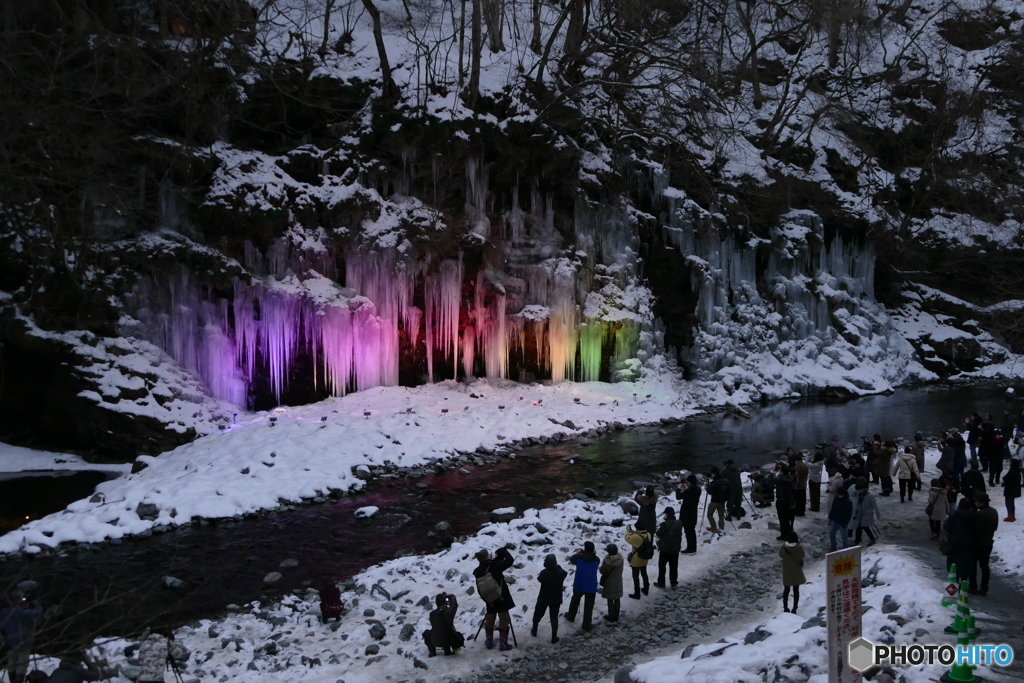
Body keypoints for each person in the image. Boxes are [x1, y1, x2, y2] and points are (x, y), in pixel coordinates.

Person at [473, 547, 516, 650]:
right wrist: (504, 551)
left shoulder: (478, 571)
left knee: (490, 617)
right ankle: (503, 644)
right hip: (501, 596)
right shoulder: (495, 566)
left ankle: (489, 642)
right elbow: (510, 560)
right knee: (504, 619)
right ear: (487, 557)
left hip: (489, 598)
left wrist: (498, 557)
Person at [0, 592, 43, 683]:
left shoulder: (3, 612)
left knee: (12, 662)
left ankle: (12, 680)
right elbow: (37, 613)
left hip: (9, 642)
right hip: (23, 641)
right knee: (22, 662)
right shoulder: (20, 613)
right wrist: (34, 602)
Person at [531, 554, 566, 643]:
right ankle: (554, 637)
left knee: (538, 613)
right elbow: (564, 573)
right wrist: (557, 567)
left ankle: (534, 630)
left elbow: (539, 579)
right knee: (554, 617)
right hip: (556, 598)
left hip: (544, 597)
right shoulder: (561, 573)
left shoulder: (544, 573)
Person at [566, 541, 599, 631]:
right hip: (591, 585)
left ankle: (570, 616)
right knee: (589, 605)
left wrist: (579, 553)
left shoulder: (578, 558)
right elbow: (591, 557)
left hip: (579, 583)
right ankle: (586, 624)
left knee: (575, 600)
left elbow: (572, 559)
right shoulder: (597, 559)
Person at [944, 498, 976, 589]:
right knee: (965, 562)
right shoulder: (973, 516)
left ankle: (955, 582)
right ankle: (964, 582)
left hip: (954, 543)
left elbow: (947, 527)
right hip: (968, 543)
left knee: (954, 562)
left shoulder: (954, 514)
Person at [972, 492, 999, 596]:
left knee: (973, 565)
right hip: (988, 542)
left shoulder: (980, 514)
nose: (975, 503)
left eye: (976, 501)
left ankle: (973, 586)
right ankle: (984, 587)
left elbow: (977, 530)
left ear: (982, 503)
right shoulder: (993, 511)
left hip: (978, 543)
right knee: (985, 566)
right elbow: (995, 527)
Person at [654, 507, 682, 588]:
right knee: (674, 566)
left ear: (667, 514)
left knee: (662, 566)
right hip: (675, 548)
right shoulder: (679, 523)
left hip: (665, 548)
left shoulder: (665, 524)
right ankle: (673, 582)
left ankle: (661, 582)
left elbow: (658, 534)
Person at [779, 532, 806, 613]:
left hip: (787, 571)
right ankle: (794, 608)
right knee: (796, 590)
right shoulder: (799, 548)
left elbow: (780, 555)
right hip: (796, 571)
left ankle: (785, 608)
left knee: (786, 590)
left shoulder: (784, 548)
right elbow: (803, 555)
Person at [624, 524, 652, 599]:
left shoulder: (635, 537)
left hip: (637, 559)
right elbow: (640, 535)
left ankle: (637, 593)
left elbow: (627, 538)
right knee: (644, 573)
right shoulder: (648, 534)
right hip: (645, 558)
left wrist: (628, 531)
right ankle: (646, 589)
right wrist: (634, 532)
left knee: (635, 576)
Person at [849, 482, 880, 546]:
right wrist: (855, 514)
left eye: (859, 490)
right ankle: (858, 540)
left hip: (866, 515)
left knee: (863, 528)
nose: (858, 491)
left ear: (862, 489)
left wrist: (878, 514)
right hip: (860, 515)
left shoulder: (870, 496)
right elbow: (858, 505)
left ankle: (859, 540)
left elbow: (875, 506)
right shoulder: (860, 496)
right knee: (861, 528)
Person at [599, 544, 624, 623]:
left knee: (610, 599)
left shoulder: (607, 561)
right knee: (617, 598)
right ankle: (616, 615)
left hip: (609, 582)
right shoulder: (621, 559)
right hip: (618, 581)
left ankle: (611, 616)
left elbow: (602, 571)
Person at [675, 474, 700, 553]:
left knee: (688, 531)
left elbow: (678, 497)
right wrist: (687, 488)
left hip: (686, 513)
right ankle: (693, 547)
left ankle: (690, 548)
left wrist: (678, 489)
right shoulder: (698, 489)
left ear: (689, 482)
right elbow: (690, 493)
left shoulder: (689, 491)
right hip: (693, 512)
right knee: (692, 530)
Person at [775, 464, 796, 541]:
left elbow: (770, 481)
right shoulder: (791, 478)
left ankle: (784, 534)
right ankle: (789, 531)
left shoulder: (779, 480)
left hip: (781, 500)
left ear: (782, 472)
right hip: (790, 500)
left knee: (782, 518)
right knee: (788, 517)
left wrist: (772, 472)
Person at [705, 467, 730, 533]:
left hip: (714, 501)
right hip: (722, 501)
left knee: (709, 514)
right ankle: (721, 528)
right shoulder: (724, 481)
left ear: (713, 474)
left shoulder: (714, 482)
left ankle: (713, 527)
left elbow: (710, 492)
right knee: (721, 516)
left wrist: (707, 488)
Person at [828, 486, 852, 551]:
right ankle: (833, 547)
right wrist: (831, 517)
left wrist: (844, 523)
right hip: (835, 520)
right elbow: (833, 508)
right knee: (831, 534)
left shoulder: (848, 502)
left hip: (842, 522)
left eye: (840, 495)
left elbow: (849, 514)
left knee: (844, 537)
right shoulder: (836, 498)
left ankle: (845, 549)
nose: (839, 496)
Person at [1003, 458, 1022, 522]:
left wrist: (1004, 481)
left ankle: (1010, 516)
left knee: (1008, 503)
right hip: (1014, 489)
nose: (1009, 463)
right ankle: (1012, 515)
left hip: (1010, 490)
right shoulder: (1017, 470)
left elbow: (1007, 478)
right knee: (1011, 503)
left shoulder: (1012, 470)